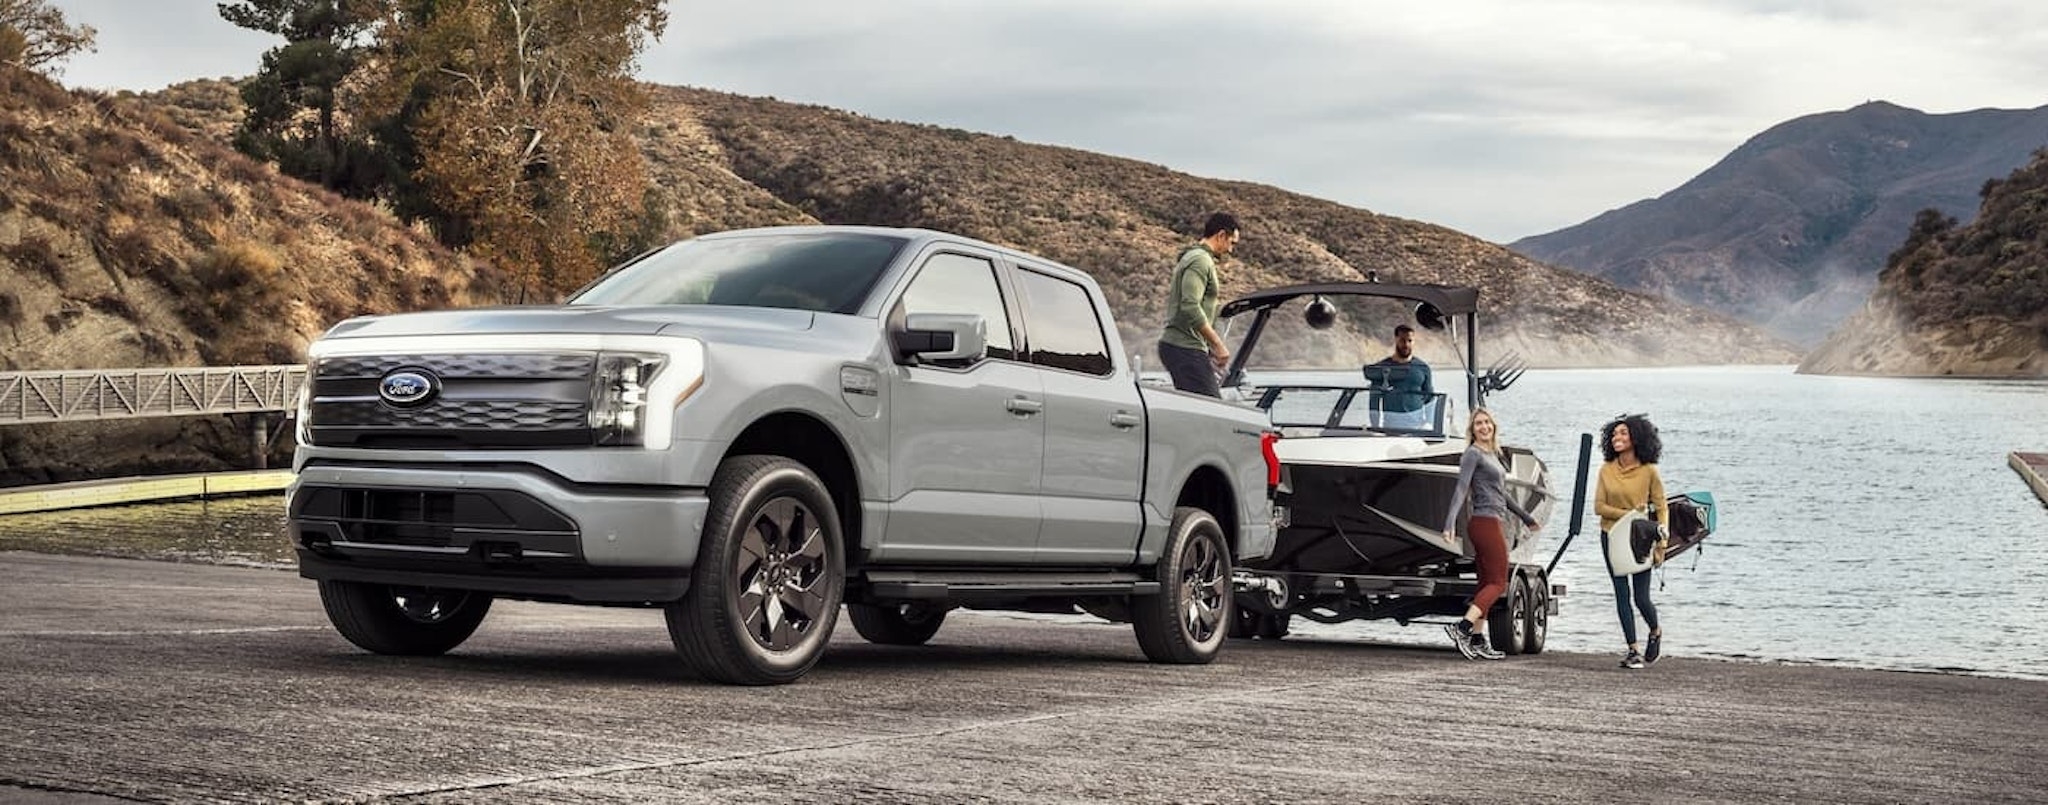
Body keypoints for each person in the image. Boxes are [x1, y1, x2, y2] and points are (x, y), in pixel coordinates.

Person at [1439, 408, 1541, 660]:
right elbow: (1461, 489)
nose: (1484, 427)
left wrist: (1527, 518)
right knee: (1498, 583)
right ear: (1472, 430)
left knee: (1485, 583)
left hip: (1493, 520)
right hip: (1484, 523)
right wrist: (1449, 523)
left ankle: (1476, 638)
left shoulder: (1492, 454)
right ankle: (1462, 628)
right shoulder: (1472, 454)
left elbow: (1502, 494)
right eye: (1478, 424)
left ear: (1493, 426)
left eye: (1487, 423)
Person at [1594, 413, 1669, 670]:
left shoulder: (1649, 471)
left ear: (1636, 438)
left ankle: (1655, 630)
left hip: (1641, 537)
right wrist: (1629, 515)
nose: (1617, 437)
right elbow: (1599, 507)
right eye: (1614, 434)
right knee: (1621, 593)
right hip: (1611, 535)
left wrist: (1661, 544)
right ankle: (1632, 649)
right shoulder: (1606, 469)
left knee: (1641, 597)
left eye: (1623, 433)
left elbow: (1662, 508)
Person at [1156, 213, 1240, 397]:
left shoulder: (1195, 257)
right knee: (1212, 410)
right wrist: (1217, 345)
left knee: (1201, 409)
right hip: (1184, 347)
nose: (1231, 250)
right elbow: (1190, 306)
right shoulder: (1200, 260)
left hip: (1186, 346)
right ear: (1221, 235)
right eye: (1232, 243)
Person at [1363, 325, 1434, 429]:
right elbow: (1374, 402)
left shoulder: (1423, 368)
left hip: (1417, 429)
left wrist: (1429, 424)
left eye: (1410, 341)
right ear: (1396, 340)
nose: (1406, 344)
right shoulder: (1381, 368)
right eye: (1402, 340)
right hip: (1390, 428)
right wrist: (1376, 427)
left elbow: (1430, 399)